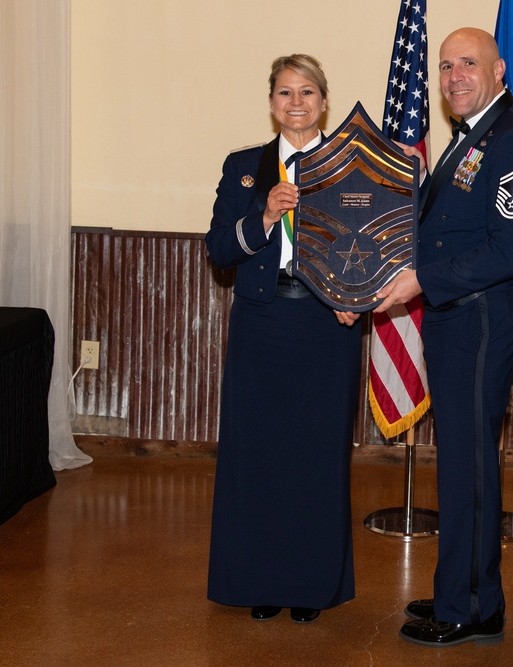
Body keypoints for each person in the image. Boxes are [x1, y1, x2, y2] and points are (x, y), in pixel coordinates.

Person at [370, 27, 513, 647]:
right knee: (460, 463)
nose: (453, 77)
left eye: (468, 64)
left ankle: (472, 607)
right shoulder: (468, 140)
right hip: (456, 317)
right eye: (445, 67)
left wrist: (421, 279)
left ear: (499, 69)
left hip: (478, 318)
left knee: (470, 466)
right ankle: (463, 590)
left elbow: (509, 249)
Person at [205, 54, 362, 625]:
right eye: (284, 93)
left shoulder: (352, 168)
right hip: (263, 323)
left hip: (328, 326)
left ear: (324, 101)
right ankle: (261, 580)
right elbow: (220, 248)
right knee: (260, 456)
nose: (296, 103)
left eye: (307, 93)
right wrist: (265, 218)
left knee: (317, 458)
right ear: (271, 102)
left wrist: (358, 298)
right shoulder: (244, 166)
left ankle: (312, 585)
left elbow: (376, 246)